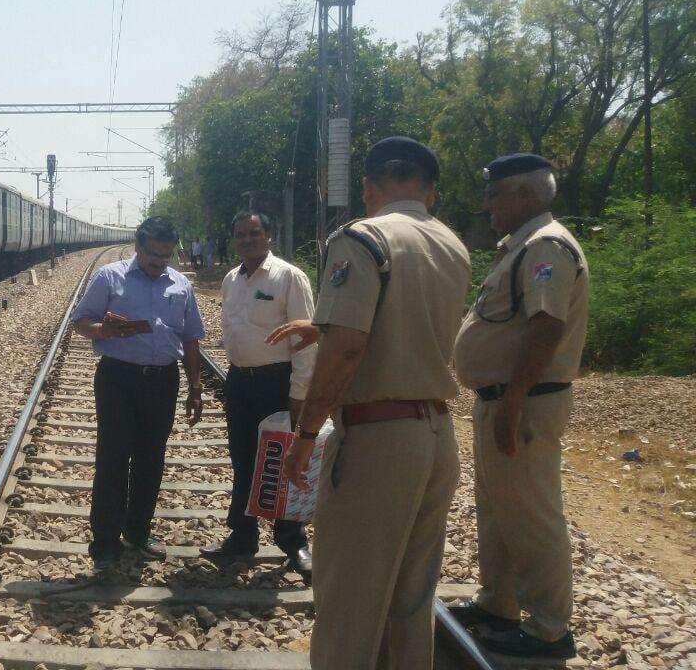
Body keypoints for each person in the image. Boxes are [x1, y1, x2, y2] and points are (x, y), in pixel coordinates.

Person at [269, 136, 471, 670]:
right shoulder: (450, 243)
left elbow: (348, 347)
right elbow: (402, 323)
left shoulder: (363, 238)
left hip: (378, 440)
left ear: (368, 188)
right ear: (429, 192)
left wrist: (305, 436)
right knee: (410, 598)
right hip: (436, 436)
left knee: (349, 599)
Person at [449, 154, 588, 660]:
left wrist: (513, 401)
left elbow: (545, 325)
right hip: (504, 400)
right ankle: (498, 605)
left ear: (525, 196)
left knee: (531, 512)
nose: (486, 204)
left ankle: (551, 628)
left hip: (524, 401)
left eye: (495, 194)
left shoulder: (544, 245)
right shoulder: (521, 247)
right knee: (498, 508)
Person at [71, 216, 206, 572]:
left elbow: (192, 339)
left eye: (166, 257)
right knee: (113, 458)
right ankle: (104, 543)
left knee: (151, 459)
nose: (159, 263)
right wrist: (105, 330)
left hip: (162, 381)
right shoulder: (109, 277)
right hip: (118, 378)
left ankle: (137, 532)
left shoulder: (180, 285)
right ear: (138, 246)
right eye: (153, 256)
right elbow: (81, 321)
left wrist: (195, 387)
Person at [201, 210, 317, 580]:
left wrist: (299, 394)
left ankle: (292, 538)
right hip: (239, 382)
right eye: (240, 234)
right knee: (243, 459)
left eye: (254, 233)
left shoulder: (288, 277)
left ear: (269, 235)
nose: (247, 239)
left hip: (276, 382)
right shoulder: (232, 279)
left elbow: (306, 340)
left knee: (283, 459)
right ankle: (243, 533)